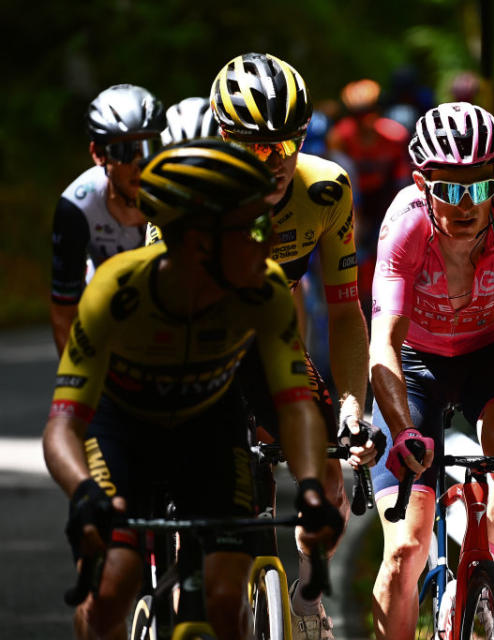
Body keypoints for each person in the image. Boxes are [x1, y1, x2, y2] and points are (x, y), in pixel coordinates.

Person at [42, 139, 342, 640]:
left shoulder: (264, 290)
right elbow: (63, 426)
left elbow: (295, 409)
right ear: (199, 240)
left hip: (208, 428)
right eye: (255, 227)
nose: (270, 243)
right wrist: (83, 491)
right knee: (111, 589)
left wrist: (311, 486)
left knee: (228, 599)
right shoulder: (116, 292)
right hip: (121, 433)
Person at [369, 102, 494, 639]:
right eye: (447, 190)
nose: (464, 205)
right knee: (406, 551)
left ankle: (491, 584)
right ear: (421, 183)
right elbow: (382, 342)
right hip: (414, 362)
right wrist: (403, 428)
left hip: (489, 354)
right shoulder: (404, 225)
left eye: (477, 188)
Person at [210, 51, 375, 640]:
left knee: (328, 464)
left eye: (286, 144)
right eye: (256, 148)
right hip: (196, 346)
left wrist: (353, 406)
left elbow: (344, 310)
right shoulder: (188, 194)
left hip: (272, 341)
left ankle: (307, 601)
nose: (275, 162)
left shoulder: (326, 190)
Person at [50, 84, 164, 356]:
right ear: (98, 154)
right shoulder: (76, 208)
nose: (139, 163)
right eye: (125, 151)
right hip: (106, 317)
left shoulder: (178, 191)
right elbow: (64, 315)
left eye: (148, 147)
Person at [327, 78, 411, 315]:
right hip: (354, 200)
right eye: (357, 114)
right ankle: (362, 304)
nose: (365, 119)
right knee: (357, 254)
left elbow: (403, 178)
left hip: (386, 200)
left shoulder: (395, 135)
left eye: (369, 112)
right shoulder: (340, 137)